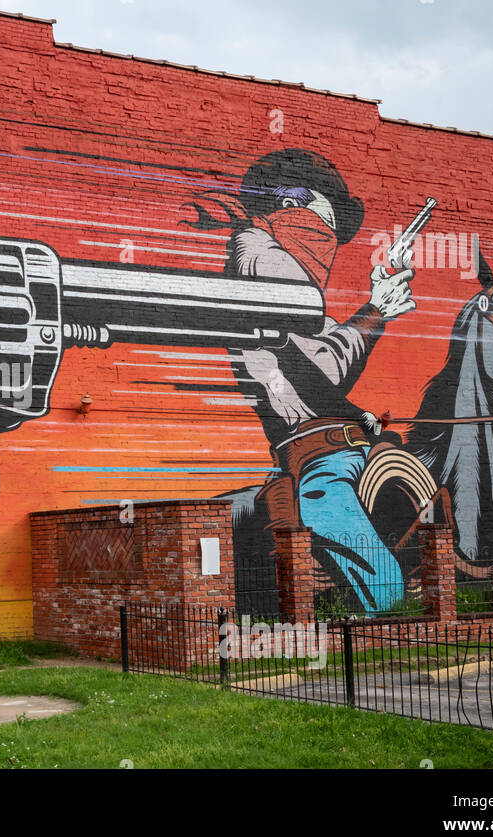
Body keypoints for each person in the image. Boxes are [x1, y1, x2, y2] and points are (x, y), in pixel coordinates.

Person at [191, 149, 416, 612]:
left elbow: (325, 355)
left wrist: (361, 413)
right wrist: (377, 311)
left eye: (330, 223)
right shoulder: (258, 261)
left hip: (340, 446)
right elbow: (323, 369)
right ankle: (390, 633)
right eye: (316, 215)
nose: (324, 234)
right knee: (382, 581)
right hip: (316, 458)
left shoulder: (306, 306)